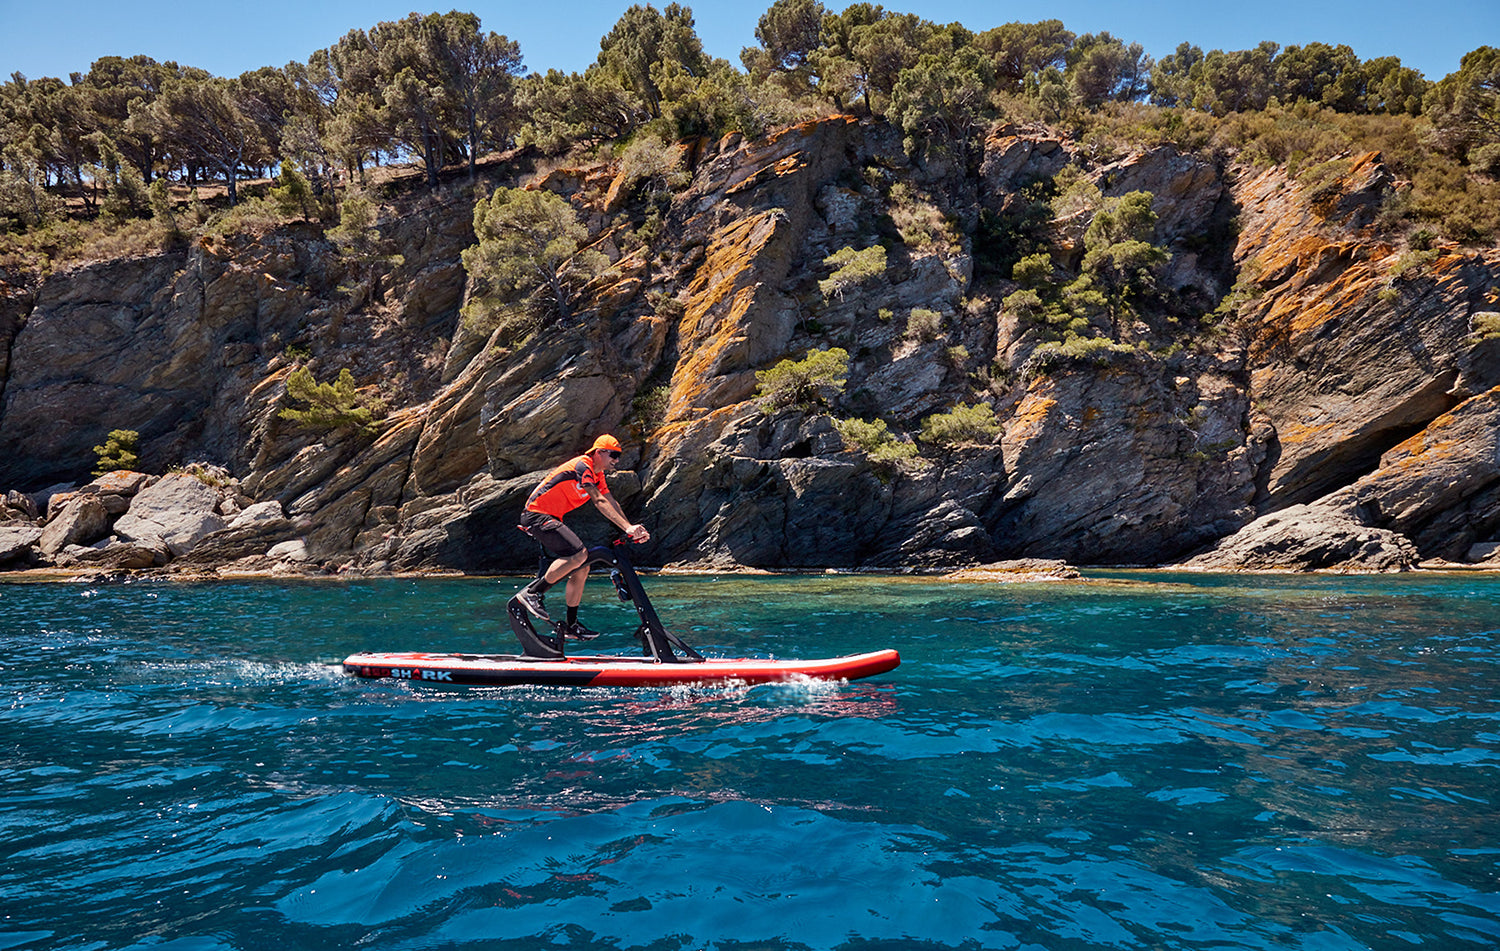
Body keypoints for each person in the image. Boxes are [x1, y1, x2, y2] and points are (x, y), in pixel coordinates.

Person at [513, 434, 650, 639]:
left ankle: (571, 625)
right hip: (535, 515)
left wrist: (630, 527)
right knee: (578, 554)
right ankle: (532, 593)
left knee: (583, 565)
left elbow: (610, 501)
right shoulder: (583, 466)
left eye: (619, 456)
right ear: (599, 452)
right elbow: (598, 501)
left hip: (550, 517)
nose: (617, 460)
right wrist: (628, 529)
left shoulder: (598, 475)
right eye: (614, 455)